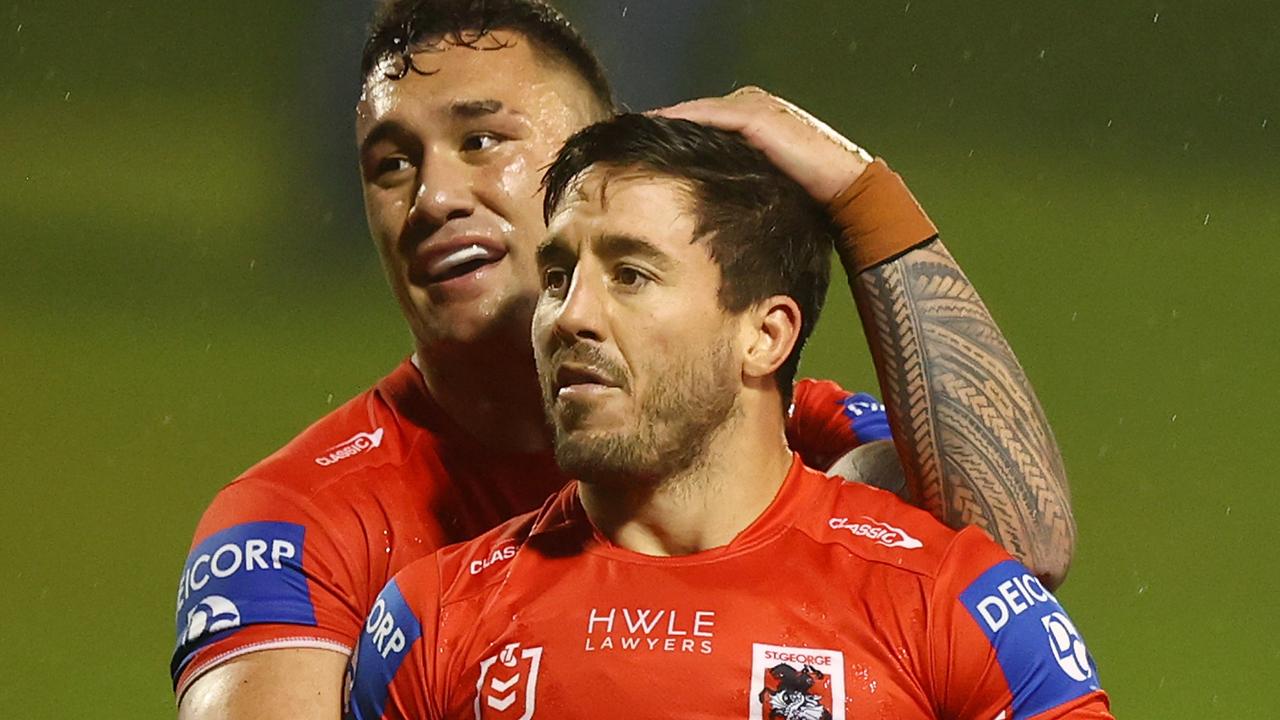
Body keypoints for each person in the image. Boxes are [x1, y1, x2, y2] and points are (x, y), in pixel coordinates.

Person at [174, 1, 1076, 717]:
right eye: (391, 164)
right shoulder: (299, 523)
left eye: (482, 139)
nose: (434, 196)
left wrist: (862, 195)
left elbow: (1024, 549)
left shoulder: (795, 427)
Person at [343, 113, 1110, 720]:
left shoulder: (940, 603)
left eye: (631, 274)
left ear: (764, 335)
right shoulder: (434, 623)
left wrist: (862, 195)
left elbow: (1030, 527)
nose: (566, 316)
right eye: (557, 275)